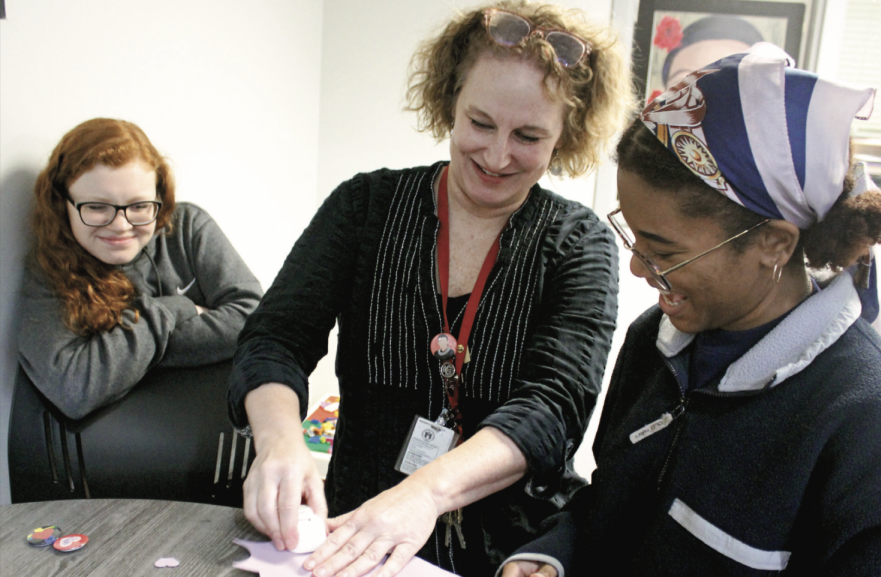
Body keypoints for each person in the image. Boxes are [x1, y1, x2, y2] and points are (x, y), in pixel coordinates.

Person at [227, 2, 633, 576]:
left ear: (566, 136)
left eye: (529, 136)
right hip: (356, 532)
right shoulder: (364, 208)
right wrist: (279, 442)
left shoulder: (579, 243)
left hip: (511, 552)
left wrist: (425, 493)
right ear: (450, 102)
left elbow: (553, 406)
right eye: (481, 123)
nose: (496, 156)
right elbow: (275, 340)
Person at [500, 43, 881, 576]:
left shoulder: (869, 420)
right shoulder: (654, 340)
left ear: (775, 245)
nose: (640, 269)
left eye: (663, 251)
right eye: (634, 237)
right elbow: (610, 499)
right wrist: (555, 554)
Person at [19, 118, 263, 420]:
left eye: (139, 206)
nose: (121, 226)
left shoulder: (187, 228)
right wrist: (176, 309)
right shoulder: (50, 265)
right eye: (96, 207)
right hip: (111, 456)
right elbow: (74, 387)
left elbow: (255, 321)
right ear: (62, 203)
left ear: (159, 197)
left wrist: (113, 357)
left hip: (207, 433)